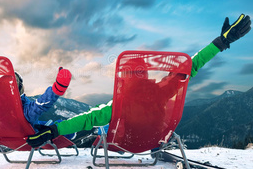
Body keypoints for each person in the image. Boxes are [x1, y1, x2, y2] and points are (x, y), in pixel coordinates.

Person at [26, 14, 251, 147]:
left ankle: (98, 135)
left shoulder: (119, 104)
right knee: (100, 121)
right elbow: (190, 66)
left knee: (98, 124)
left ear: (124, 78)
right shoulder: (161, 90)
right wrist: (221, 42)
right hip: (153, 141)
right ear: (144, 75)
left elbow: (86, 119)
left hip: (125, 143)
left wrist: (54, 131)